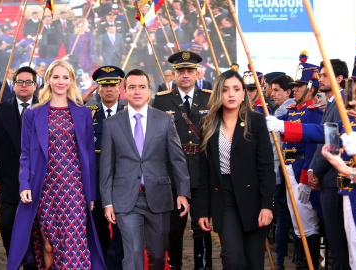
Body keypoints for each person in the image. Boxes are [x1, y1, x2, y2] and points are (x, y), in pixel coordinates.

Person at [269, 45, 356, 268]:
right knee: (346, 252)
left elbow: (329, 136)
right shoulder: (347, 112)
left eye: (355, 84)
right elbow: (329, 136)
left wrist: (315, 168)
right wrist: (285, 126)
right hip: (345, 189)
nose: (349, 88)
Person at [7, 60, 106, 270]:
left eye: (65, 77)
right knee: (49, 246)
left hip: (74, 189)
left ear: (71, 81)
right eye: (56, 77)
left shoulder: (82, 112)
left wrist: (91, 196)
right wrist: (24, 184)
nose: (60, 81)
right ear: (48, 80)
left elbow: (88, 156)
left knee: (74, 244)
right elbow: (25, 153)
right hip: (44, 187)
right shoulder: (33, 113)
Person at [100, 68, 191, 270]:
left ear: (149, 91)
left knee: (158, 256)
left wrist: (183, 192)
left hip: (158, 197)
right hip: (125, 199)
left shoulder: (165, 120)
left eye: (142, 87)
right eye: (132, 87)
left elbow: (177, 160)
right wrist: (107, 202)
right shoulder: (111, 124)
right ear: (125, 91)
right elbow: (106, 166)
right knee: (132, 255)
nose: (137, 91)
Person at [198, 69, 275, 269]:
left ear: (243, 94)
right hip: (224, 198)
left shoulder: (256, 121)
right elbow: (205, 173)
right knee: (232, 260)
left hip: (253, 199)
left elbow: (266, 167)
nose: (231, 94)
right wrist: (202, 211)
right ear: (218, 94)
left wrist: (267, 205)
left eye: (236, 89)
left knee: (253, 262)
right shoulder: (208, 125)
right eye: (225, 90)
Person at [152, 51, 213, 270]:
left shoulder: (210, 97)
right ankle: (175, 265)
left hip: (202, 171)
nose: (185, 75)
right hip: (173, 176)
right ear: (174, 74)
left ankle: (204, 267)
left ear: (198, 73)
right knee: (173, 229)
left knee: (202, 225)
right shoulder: (162, 100)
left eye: (189, 71)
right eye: (180, 71)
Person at [266, 54, 324, 269]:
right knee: (296, 218)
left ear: (311, 88)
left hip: (301, 170)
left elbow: (313, 145)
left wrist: (306, 176)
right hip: (288, 168)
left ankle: (306, 262)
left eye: (299, 86)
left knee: (306, 220)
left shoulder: (313, 113)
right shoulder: (294, 110)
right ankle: (301, 259)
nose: (295, 90)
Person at [0, 66, 38, 267]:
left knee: (37, 226)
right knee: (7, 223)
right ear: (13, 85)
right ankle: (15, 259)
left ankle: (33, 263)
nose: (24, 86)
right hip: (9, 180)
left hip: (38, 178)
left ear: (35, 85)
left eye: (28, 82)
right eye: (20, 82)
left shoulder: (45, 109)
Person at [308, 58, 350, 270]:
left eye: (325, 75)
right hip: (327, 177)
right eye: (320, 75)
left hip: (334, 179)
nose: (320, 79)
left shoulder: (340, 103)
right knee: (334, 236)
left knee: (337, 236)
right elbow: (322, 141)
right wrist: (312, 169)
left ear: (340, 79)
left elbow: (332, 143)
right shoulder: (332, 103)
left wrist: (316, 171)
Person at [89, 66, 126, 270]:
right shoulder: (88, 114)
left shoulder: (129, 113)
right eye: (104, 85)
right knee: (98, 230)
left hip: (122, 183)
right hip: (96, 184)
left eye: (113, 85)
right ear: (98, 89)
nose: (109, 89)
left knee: (121, 231)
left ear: (120, 88)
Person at [268, 74, 295, 269]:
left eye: (277, 90)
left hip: (282, 170)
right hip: (282, 170)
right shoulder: (281, 109)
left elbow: (273, 145)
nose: (272, 93)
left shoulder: (285, 111)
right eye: (272, 89)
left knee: (282, 218)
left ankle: (280, 262)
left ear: (288, 92)